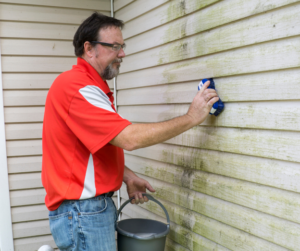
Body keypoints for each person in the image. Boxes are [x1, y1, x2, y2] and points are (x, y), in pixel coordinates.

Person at [41, 13, 218, 251]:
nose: (122, 53)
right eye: (114, 46)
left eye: (122, 46)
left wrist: (127, 175)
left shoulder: (89, 87)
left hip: (85, 211)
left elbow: (93, 148)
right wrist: (191, 118)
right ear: (89, 48)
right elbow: (129, 138)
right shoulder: (77, 88)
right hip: (83, 212)